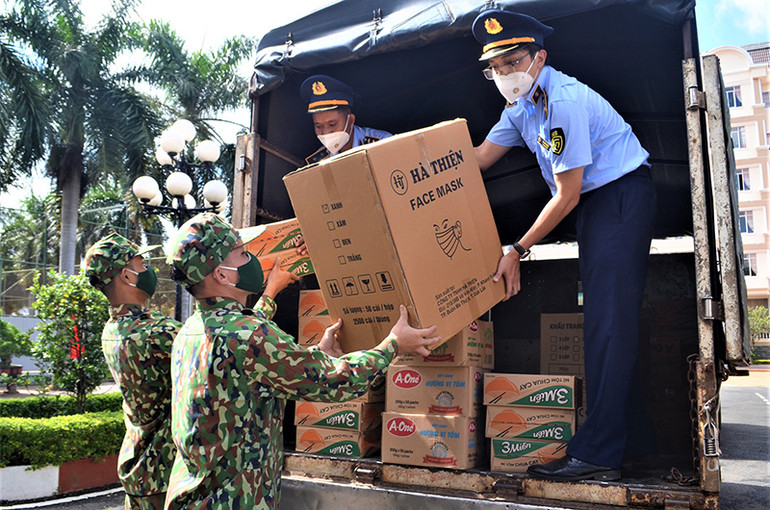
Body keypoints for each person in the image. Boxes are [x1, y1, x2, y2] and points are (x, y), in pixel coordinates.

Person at [471, 10, 657, 481]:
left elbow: (566, 194)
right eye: (496, 67)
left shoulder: (563, 101)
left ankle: (598, 456)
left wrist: (516, 248)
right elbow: (477, 160)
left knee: (607, 323)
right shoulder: (521, 107)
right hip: (599, 204)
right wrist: (406, 155)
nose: (505, 74)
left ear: (539, 58)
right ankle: (634, 445)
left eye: (514, 61)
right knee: (606, 321)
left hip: (619, 195)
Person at [163, 212, 440, 509]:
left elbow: (254, 359)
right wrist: (393, 345)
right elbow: (335, 381)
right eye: (243, 254)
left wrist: (313, 348)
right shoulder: (248, 336)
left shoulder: (189, 331)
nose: (251, 260)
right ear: (222, 274)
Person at [84, 232, 182, 510]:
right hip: (163, 472)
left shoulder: (112, 329)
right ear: (126, 276)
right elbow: (226, 343)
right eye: (141, 264)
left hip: (139, 465)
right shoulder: (155, 333)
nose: (149, 269)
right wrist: (269, 295)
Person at [300, 74, 392, 164]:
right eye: (319, 126)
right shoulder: (318, 163)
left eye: (332, 124)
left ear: (351, 120)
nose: (326, 132)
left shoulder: (383, 144)